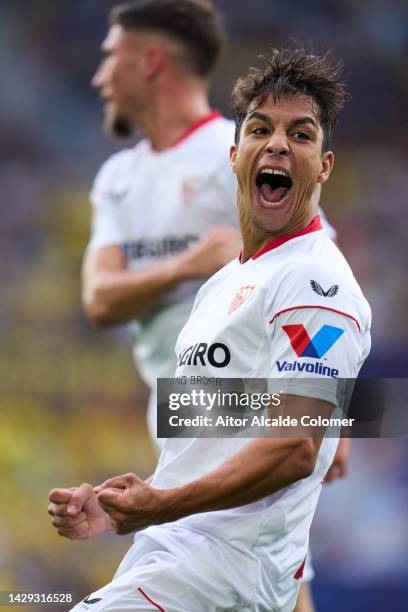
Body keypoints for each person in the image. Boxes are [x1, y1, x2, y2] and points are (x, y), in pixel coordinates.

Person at [49, 46, 371, 611]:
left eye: (300, 134)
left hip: (217, 576)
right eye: (260, 128)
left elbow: (294, 447)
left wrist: (160, 507)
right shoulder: (224, 284)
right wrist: (122, 504)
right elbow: (215, 443)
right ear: (234, 153)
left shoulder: (316, 281)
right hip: (179, 557)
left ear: (324, 166)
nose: (276, 144)